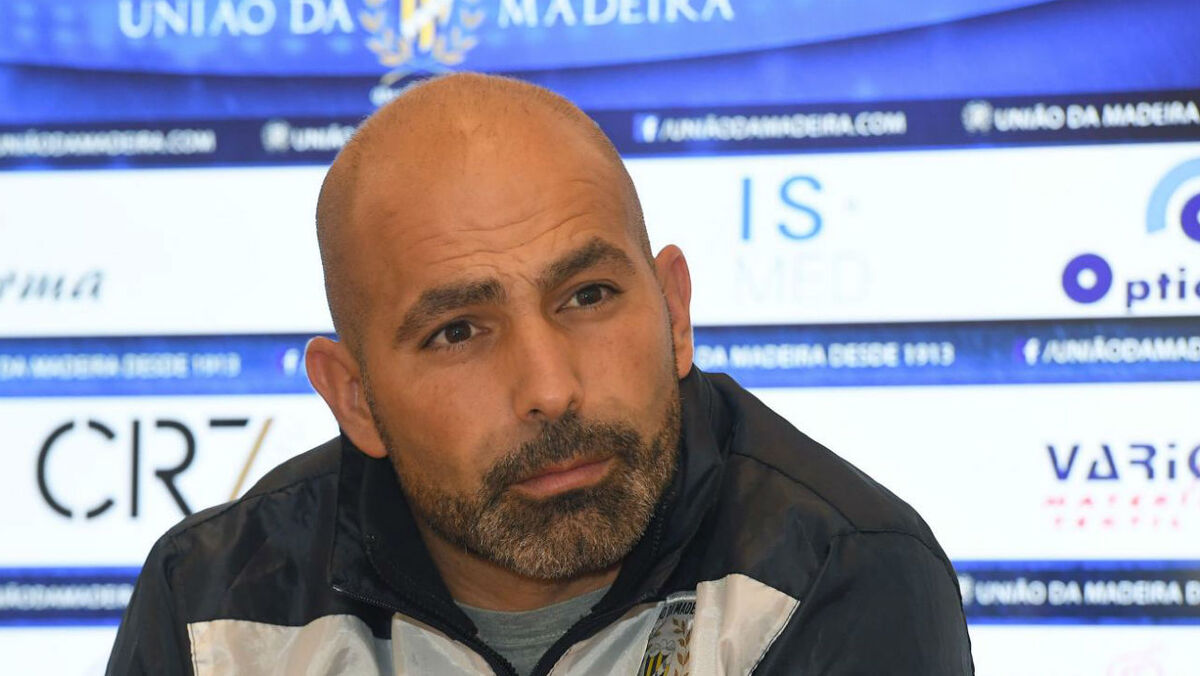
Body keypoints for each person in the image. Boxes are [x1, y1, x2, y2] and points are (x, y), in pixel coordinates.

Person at [107, 73, 973, 675]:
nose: (551, 389)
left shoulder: (838, 572)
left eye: (588, 296)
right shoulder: (213, 609)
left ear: (673, 312)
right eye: (457, 333)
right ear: (355, 398)